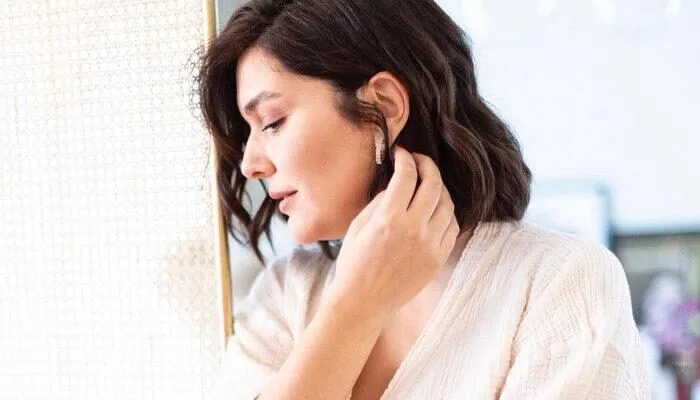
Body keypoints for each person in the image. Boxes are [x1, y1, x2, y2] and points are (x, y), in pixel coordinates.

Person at [198, 0, 650, 398]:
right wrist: (354, 307)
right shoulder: (286, 294)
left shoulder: (557, 281)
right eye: (249, 133)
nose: (251, 164)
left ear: (383, 105)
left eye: (272, 122)